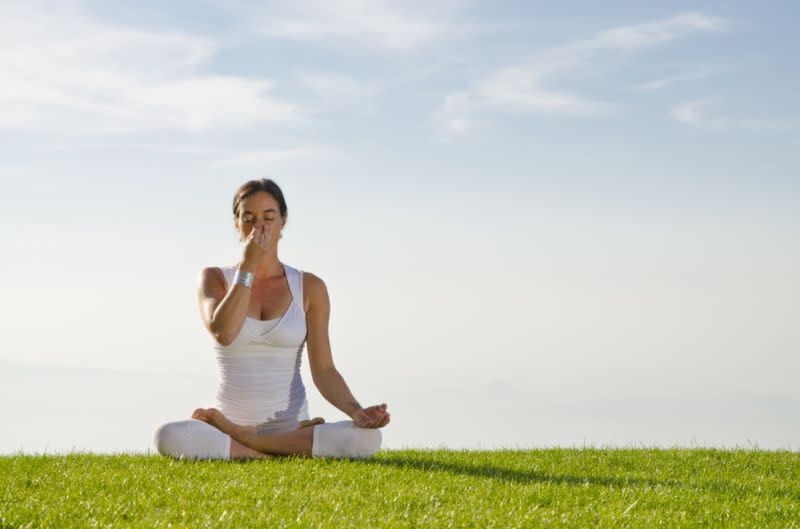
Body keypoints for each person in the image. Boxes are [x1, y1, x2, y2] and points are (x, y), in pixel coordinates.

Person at [153, 178, 390, 460]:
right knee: (167, 436)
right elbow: (224, 333)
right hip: (223, 428)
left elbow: (324, 370)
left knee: (368, 439)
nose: (259, 228)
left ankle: (247, 444)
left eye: (268, 217)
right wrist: (248, 267)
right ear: (236, 224)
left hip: (289, 428)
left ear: (283, 221)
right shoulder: (214, 279)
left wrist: (357, 412)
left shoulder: (309, 287)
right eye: (249, 219)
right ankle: (259, 450)